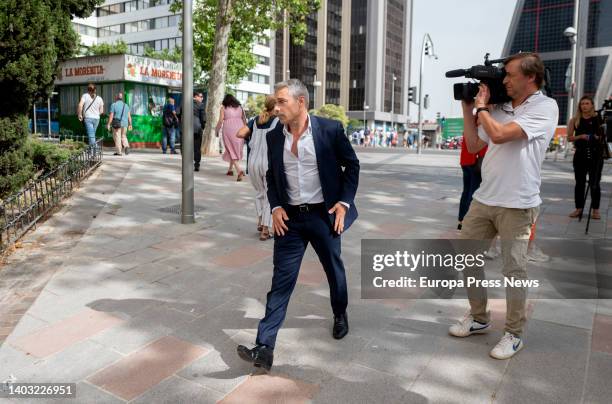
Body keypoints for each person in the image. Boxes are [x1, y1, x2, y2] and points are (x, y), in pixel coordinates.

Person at [236, 79, 360, 371]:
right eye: (276, 102)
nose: (276, 108)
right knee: (281, 282)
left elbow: (352, 166)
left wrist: (343, 203)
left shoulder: (329, 130)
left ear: (300, 102)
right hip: (289, 220)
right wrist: (276, 206)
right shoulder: (274, 136)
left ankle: (340, 313)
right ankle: (264, 347)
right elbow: (272, 173)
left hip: (322, 215)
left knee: (334, 269)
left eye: (282, 102)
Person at [450, 52, 558, 359]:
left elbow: (499, 136)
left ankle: (514, 333)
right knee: (467, 256)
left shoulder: (545, 107)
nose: (504, 81)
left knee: (513, 270)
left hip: (518, 203)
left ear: (531, 78)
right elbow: (474, 145)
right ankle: (479, 317)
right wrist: (469, 109)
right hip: (485, 198)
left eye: (509, 75)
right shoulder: (497, 107)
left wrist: (484, 108)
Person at [237, 95, 279, 241]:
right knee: (270, 195)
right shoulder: (278, 121)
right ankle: (266, 229)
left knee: (260, 192)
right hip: (268, 163)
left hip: (253, 162)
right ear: (276, 106)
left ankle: (261, 221)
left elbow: (240, 133)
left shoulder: (255, 120)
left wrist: (253, 139)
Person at [567, 95, 606, 220]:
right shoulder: (574, 120)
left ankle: (595, 210)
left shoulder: (598, 119)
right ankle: (579, 208)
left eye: (587, 103)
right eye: (582, 103)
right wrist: (581, 136)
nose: (584, 106)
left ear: (592, 105)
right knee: (580, 183)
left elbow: (604, 137)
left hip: (596, 154)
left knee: (595, 183)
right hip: (580, 154)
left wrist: (597, 137)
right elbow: (569, 138)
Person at [457, 133, 487, 230]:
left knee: (466, 191)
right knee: (473, 193)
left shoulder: (468, 126)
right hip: (475, 161)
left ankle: (461, 220)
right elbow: (482, 148)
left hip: (465, 161)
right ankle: (469, 221)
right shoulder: (479, 127)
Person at [216, 94, 247, 181]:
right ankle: (230, 170)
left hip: (228, 129)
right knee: (235, 149)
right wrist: (246, 130)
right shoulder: (240, 107)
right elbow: (244, 119)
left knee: (230, 150)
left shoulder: (223, 108)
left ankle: (239, 170)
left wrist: (217, 129)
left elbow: (221, 120)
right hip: (240, 128)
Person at [77, 83, 104, 147]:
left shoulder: (85, 96)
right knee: (92, 135)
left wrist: (80, 114)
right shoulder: (99, 98)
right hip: (97, 119)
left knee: (91, 135)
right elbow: (101, 111)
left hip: (88, 118)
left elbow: (80, 105)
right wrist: (96, 114)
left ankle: (96, 149)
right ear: (95, 90)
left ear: (88, 89)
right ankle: (92, 152)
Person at [193, 91, 206, 171]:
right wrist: (203, 127)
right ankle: (197, 164)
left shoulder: (184, 102)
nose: (202, 98)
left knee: (185, 146)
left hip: (186, 128)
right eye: (200, 96)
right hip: (197, 128)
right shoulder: (201, 105)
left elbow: (179, 114)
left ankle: (186, 163)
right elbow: (203, 118)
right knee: (197, 147)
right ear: (195, 96)